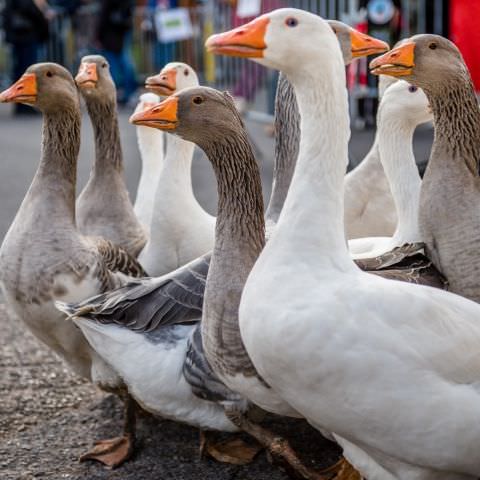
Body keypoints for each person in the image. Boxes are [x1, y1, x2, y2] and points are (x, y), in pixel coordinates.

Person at [2, 0, 50, 114]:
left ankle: (21, 103)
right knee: (27, 70)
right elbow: (30, 10)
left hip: (20, 35)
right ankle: (24, 104)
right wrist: (43, 18)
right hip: (26, 35)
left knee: (22, 69)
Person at [96, 0, 137, 104]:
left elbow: (103, 18)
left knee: (117, 64)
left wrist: (98, 36)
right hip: (119, 32)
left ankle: (122, 92)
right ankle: (124, 92)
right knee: (120, 64)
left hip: (113, 34)